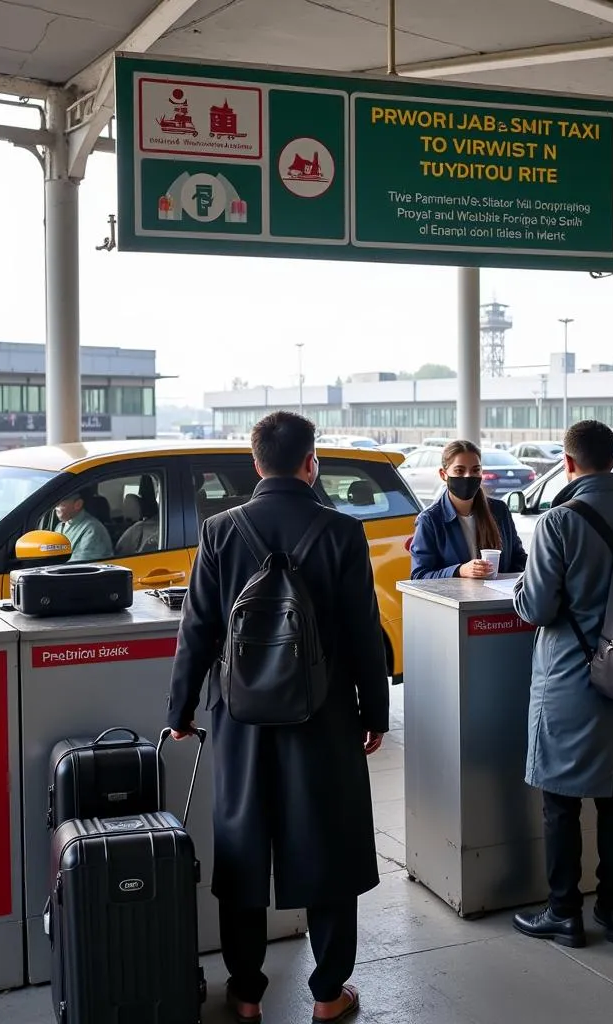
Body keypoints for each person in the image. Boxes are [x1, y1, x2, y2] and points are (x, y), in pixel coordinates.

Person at [166, 411, 389, 1024]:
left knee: (242, 845)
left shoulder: (219, 530)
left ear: (255, 462)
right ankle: (326, 993)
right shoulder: (342, 532)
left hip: (241, 718)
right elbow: (364, 632)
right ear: (310, 462)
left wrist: (181, 710)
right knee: (329, 843)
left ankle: (245, 994)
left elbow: (198, 630)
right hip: (324, 715)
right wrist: (376, 710)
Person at [511, 420, 613, 947]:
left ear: (568, 462)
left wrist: (520, 587)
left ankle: (563, 911)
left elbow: (537, 608)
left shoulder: (559, 522)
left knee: (560, 800)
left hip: (571, 679)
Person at [410, 439, 527, 580]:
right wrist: (459, 571)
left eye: (475, 470)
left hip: (498, 599)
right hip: (454, 601)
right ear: (443, 474)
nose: (468, 476)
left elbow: (518, 559)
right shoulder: (430, 520)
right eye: (459, 471)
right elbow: (419, 575)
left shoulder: (499, 511)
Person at [54, 490, 113, 562]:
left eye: (60, 504)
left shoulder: (93, 529)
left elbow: (82, 565)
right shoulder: (60, 526)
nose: (56, 508)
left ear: (78, 504)